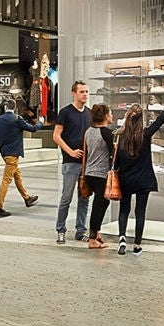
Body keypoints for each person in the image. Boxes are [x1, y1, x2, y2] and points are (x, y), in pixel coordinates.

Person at [115, 93, 164, 255]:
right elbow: (161, 119)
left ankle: (122, 238)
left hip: (125, 179)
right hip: (143, 180)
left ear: (127, 117)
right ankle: (136, 245)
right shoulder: (146, 134)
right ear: (141, 119)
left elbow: (116, 161)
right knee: (140, 212)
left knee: (124, 210)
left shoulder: (120, 136)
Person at [53, 81, 92, 244]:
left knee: (84, 198)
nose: (85, 94)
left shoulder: (89, 113)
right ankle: (61, 229)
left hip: (86, 163)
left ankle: (80, 230)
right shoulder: (66, 112)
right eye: (82, 91)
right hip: (70, 162)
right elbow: (56, 136)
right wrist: (70, 152)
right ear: (73, 93)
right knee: (66, 198)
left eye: (87, 92)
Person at [0, 100, 41, 218]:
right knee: (6, 180)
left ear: (5, 107)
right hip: (13, 153)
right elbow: (33, 128)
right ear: (14, 108)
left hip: (4, 152)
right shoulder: (17, 119)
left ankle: (27, 198)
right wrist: (41, 122)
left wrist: (2, 150)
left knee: (17, 175)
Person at [82, 104, 117, 249]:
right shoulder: (107, 134)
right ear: (105, 116)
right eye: (110, 113)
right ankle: (92, 239)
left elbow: (86, 152)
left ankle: (96, 233)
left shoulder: (88, 131)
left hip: (89, 172)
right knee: (99, 205)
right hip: (101, 174)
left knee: (103, 203)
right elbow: (114, 155)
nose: (112, 116)